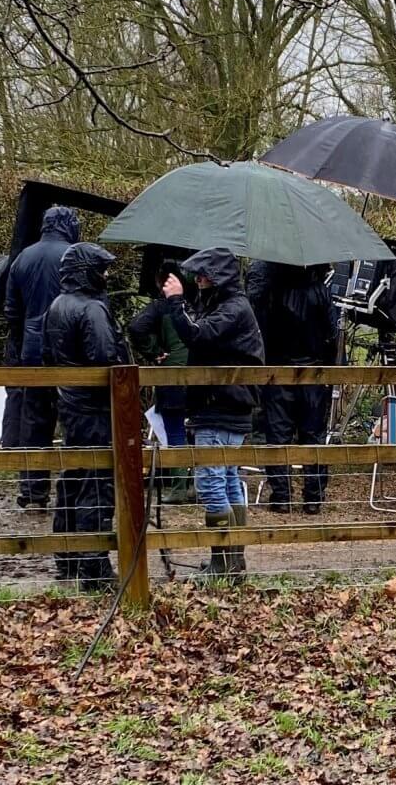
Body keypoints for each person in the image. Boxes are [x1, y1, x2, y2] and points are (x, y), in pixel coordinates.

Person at [163, 248, 264, 580]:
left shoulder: (233, 308)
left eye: (204, 274)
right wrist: (185, 302)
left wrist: (177, 301)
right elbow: (201, 328)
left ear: (218, 276)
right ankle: (233, 562)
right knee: (229, 480)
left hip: (220, 404)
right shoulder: (228, 304)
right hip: (225, 403)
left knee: (211, 483)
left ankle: (223, 562)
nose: (199, 279)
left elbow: (198, 334)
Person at [43, 243, 129, 592]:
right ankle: (94, 567)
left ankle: (67, 556)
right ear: (87, 271)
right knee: (97, 481)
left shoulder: (56, 304)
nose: (106, 276)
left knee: (73, 477)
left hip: (70, 404)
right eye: (102, 269)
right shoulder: (92, 308)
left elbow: (48, 354)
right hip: (95, 407)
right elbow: (105, 356)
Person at [3, 206, 80, 510]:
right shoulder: (74, 256)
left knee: (33, 421)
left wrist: (25, 341)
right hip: (66, 352)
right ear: (68, 226)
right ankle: (72, 489)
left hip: (31, 353)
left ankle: (33, 491)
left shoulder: (23, 257)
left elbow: (11, 310)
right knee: (72, 419)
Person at [247, 261, 336, 516]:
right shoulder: (319, 290)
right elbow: (331, 332)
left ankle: (282, 496)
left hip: (278, 374)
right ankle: (313, 498)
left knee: (277, 437)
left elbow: (260, 330)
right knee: (314, 438)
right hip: (312, 375)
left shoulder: (270, 291)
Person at [129, 261, 192, 504]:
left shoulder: (161, 307)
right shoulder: (199, 303)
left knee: (175, 429)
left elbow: (136, 327)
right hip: (201, 371)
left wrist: (154, 351)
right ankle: (197, 484)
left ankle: (178, 487)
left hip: (172, 374)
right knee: (202, 429)